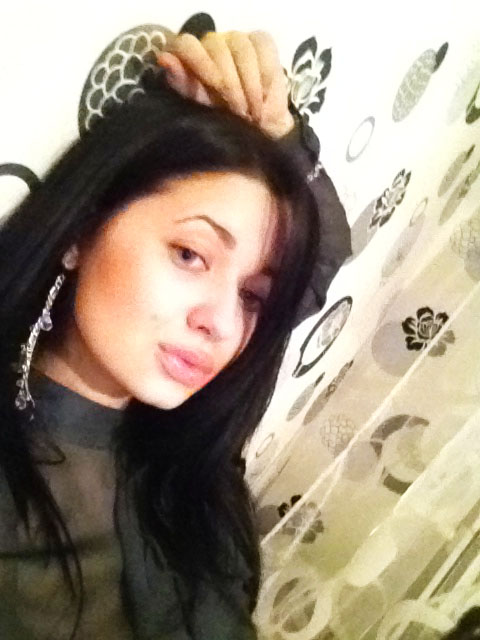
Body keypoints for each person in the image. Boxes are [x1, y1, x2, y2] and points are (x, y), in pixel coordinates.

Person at [0, 30, 351, 639]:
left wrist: (279, 133)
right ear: (81, 232)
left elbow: (316, 260)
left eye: (250, 295)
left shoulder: (186, 464)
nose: (223, 324)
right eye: (191, 255)